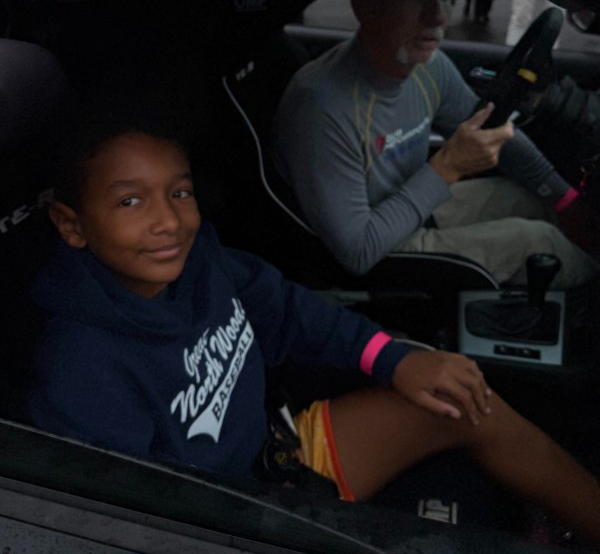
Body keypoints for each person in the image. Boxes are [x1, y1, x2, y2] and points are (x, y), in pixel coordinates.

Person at [25, 118, 600, 546]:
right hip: (219, 526)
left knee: (463, 401)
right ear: (72, 225)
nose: (168, 221)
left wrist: (394, 358)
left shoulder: (200, 260)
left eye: (179, 192)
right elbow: (131, 520)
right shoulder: (81, 369)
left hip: (280, 460)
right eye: (130, 201)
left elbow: (290, 312)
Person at [272, 0, 600, 284]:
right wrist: (447, 166)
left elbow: (492, 131)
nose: (438, 16)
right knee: (538, 243)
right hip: (372, 252)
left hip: (408, 208)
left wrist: (566, 200)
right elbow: (357, 251)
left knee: (527, 199)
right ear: (364, 5)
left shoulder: (429, 68)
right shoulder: (320, 106)